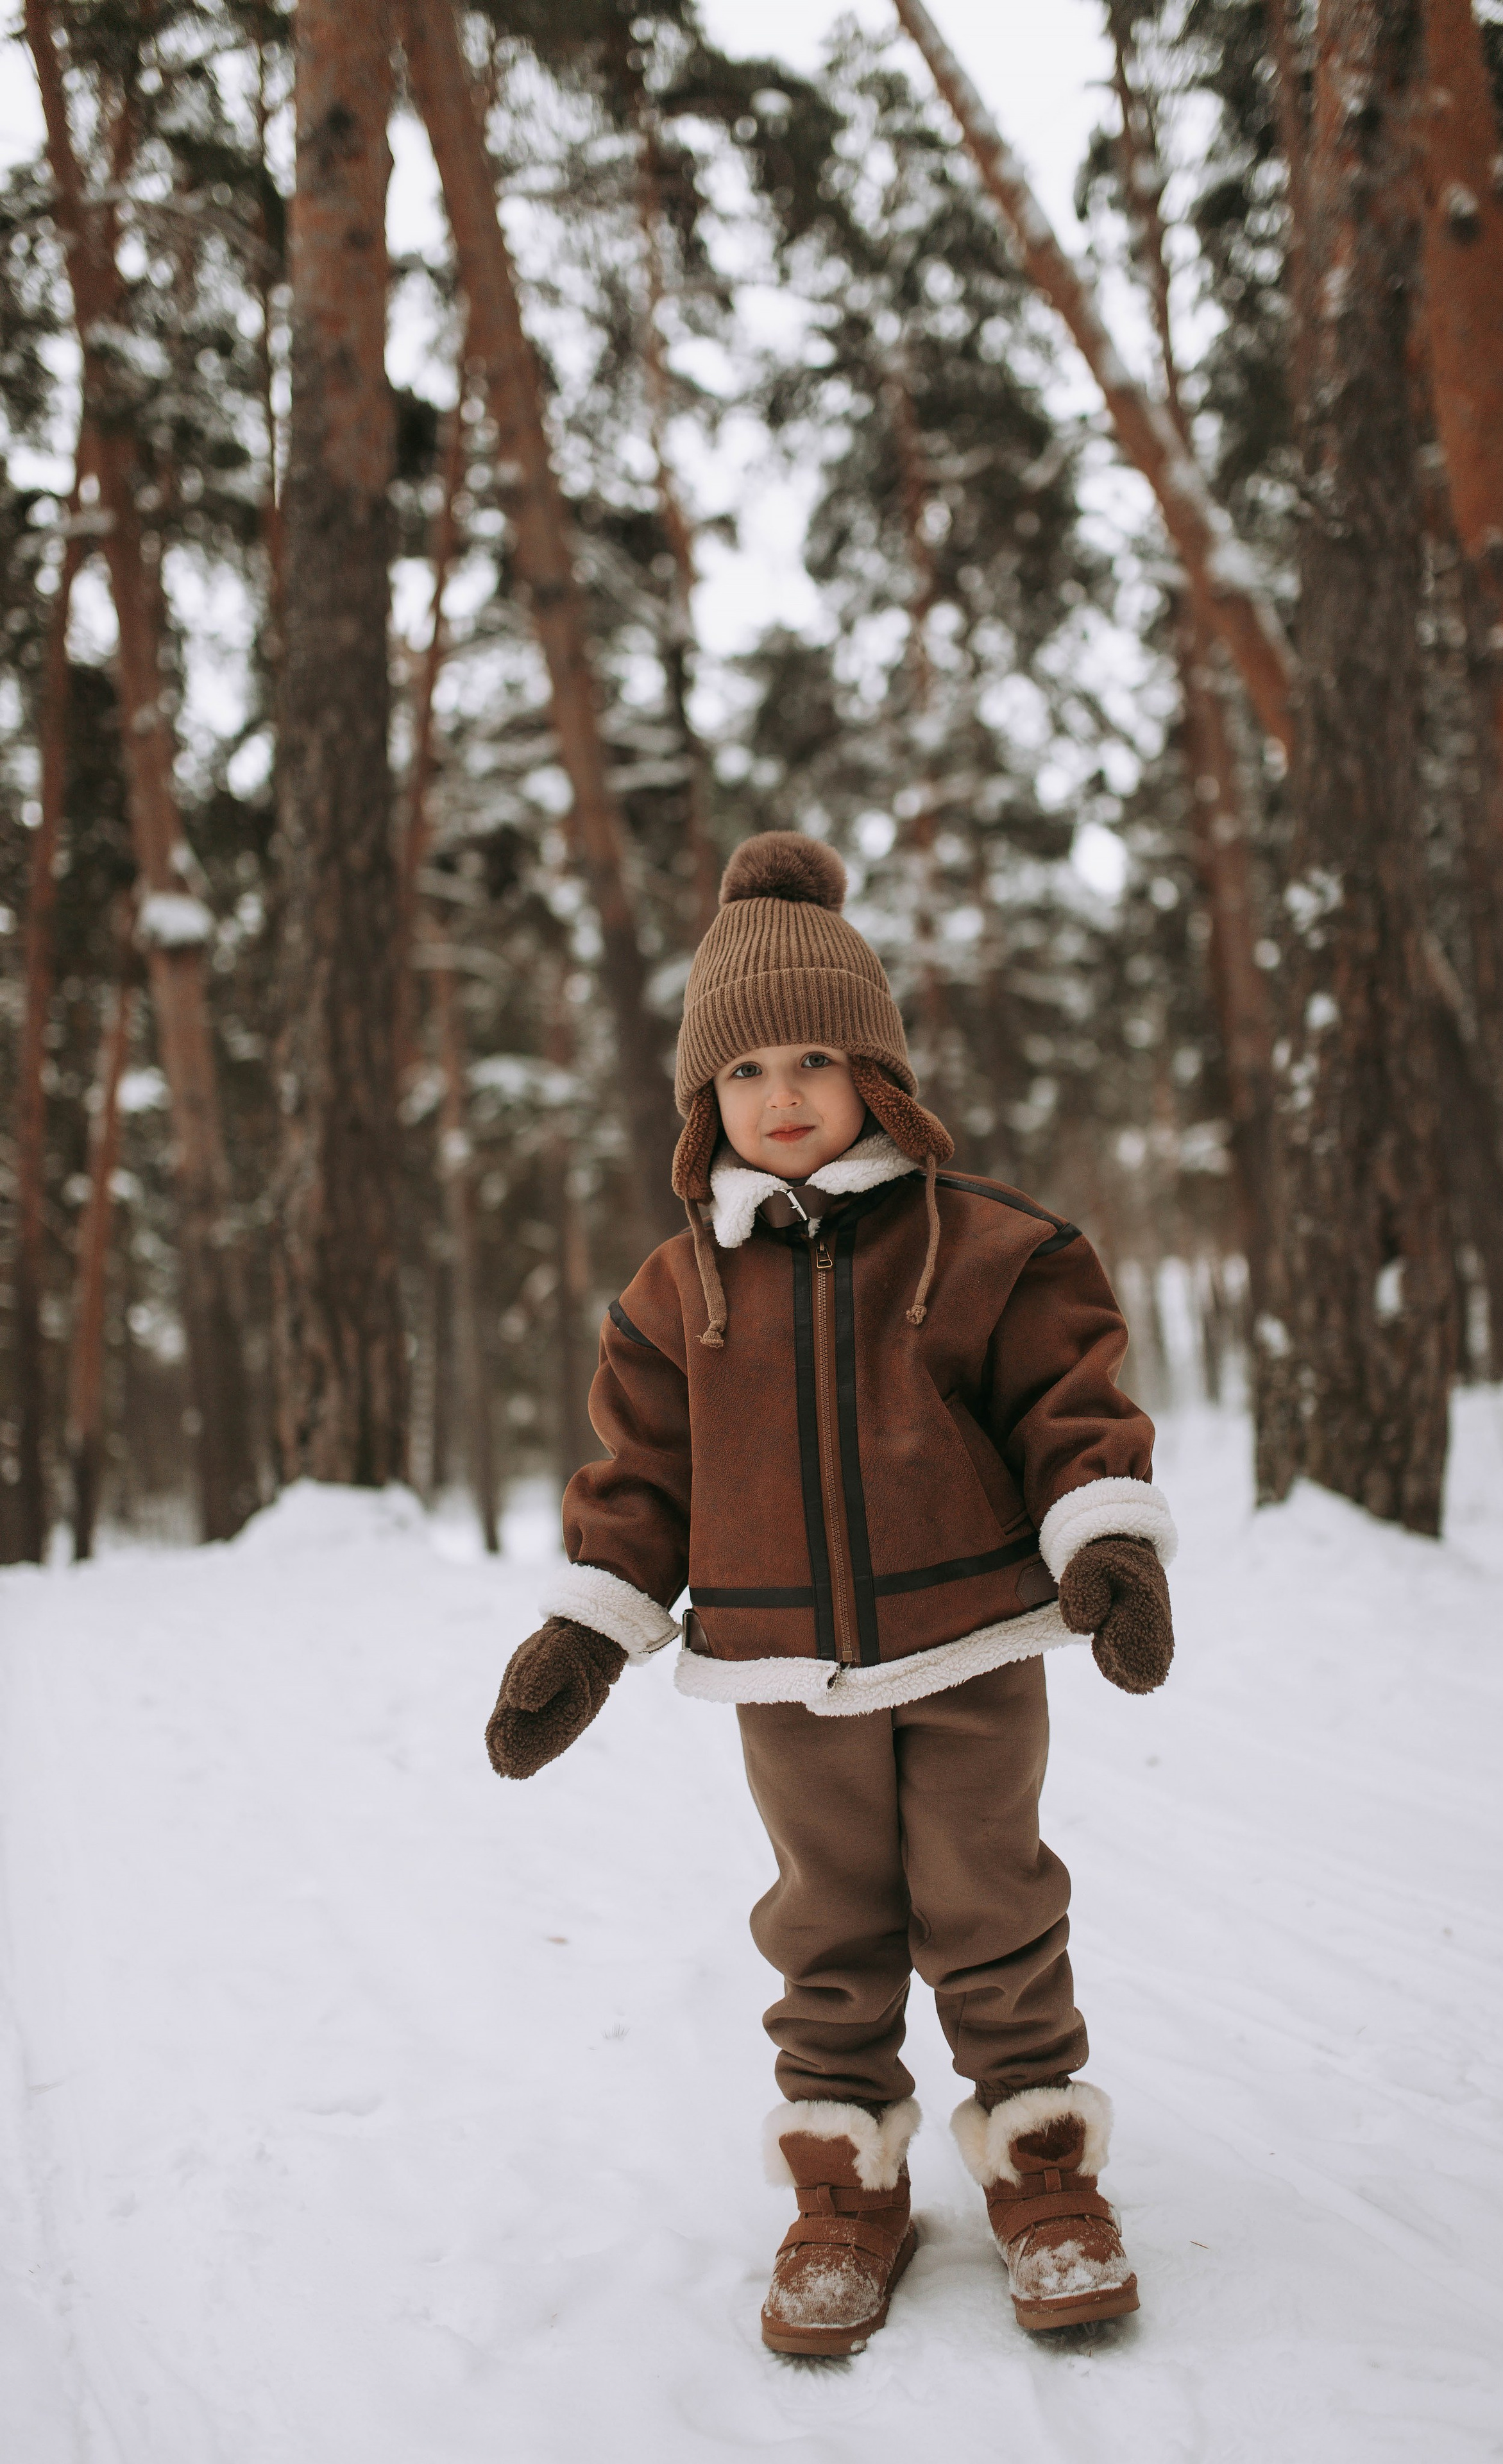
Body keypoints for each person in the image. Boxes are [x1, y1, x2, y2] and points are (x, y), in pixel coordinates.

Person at [485, 832, 1176, 2357]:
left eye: (813, 1056)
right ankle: (845, 2183)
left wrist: (1103, 1546)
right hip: (782, 1673)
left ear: (878, 1070)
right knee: (827, 1927)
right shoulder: (674, 1297)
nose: (779, 1094)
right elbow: (640, 1484)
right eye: (741, 1072)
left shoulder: (992, 1247)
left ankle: (1039, 2161)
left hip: (971, 1650)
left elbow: (1070, 1410)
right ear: (701, 1102)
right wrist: (582, 1636)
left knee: (989, 1903)